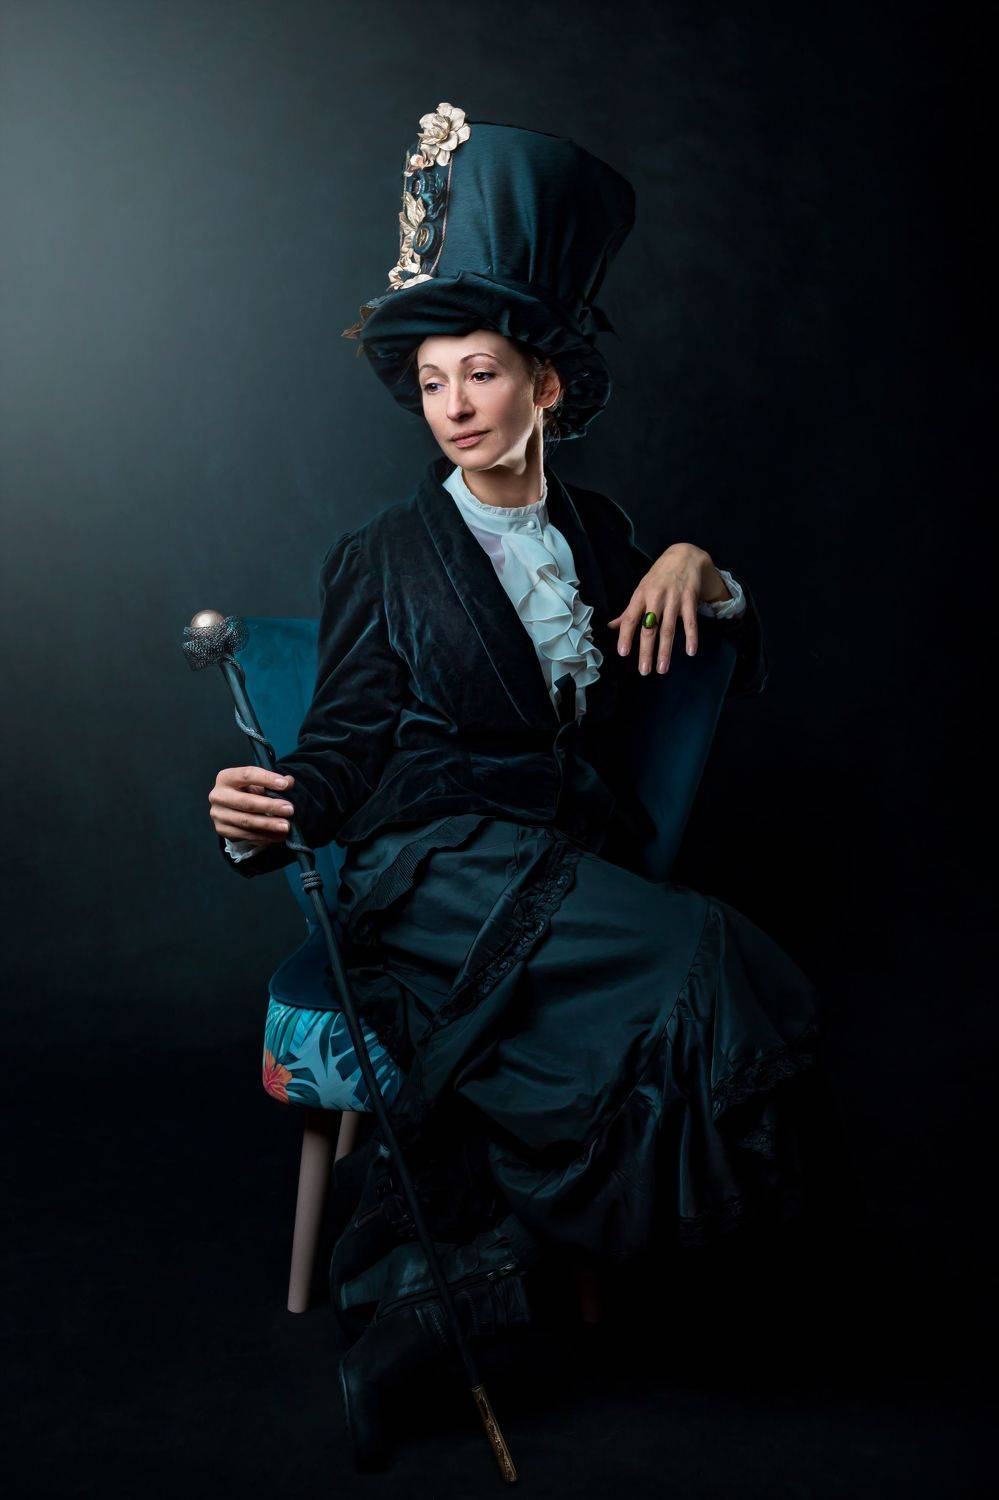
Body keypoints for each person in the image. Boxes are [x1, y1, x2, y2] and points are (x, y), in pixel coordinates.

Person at [208, 106, 827, 1469]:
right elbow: (344, 745)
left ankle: (459, 1305)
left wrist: (702, 565)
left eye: (480, 374)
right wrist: (268, 814)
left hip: (558, 856)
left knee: (700, 976)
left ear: (545, 387)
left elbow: (702, 631)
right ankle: (485, 1293)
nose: (453, 406)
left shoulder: (598, 535)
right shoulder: (382, 554)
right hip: (429, 864)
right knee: (708, 958)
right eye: (433, 383)